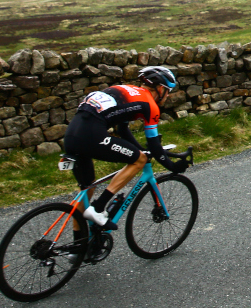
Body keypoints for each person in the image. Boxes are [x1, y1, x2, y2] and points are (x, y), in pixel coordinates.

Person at [62, 65, 186, 230]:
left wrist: (140, 148)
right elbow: (155, 146)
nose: (167, 97)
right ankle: (98, 208)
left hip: (71, 135)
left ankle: (77, 248)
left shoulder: (126, 91)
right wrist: (174, 167)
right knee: (139, 160)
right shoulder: (150, 105)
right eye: (168, 92)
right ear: (161, 88)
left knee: (87, 188)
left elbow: (122, 130)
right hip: (91, 135)